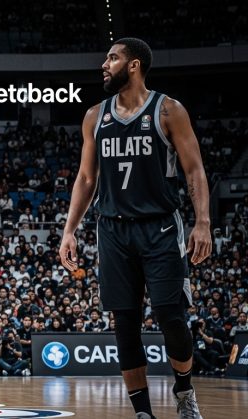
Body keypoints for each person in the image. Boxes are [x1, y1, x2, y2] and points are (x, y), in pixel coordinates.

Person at [59, 38, 211, 419]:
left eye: (112, 58)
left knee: (171, 317)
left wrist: (203, 222)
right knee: (124, 324)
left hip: (160, 227)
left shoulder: (168, 110)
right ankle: (143, 412)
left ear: (134, 65)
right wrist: (69, 230)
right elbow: (86, 178)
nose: (104, 64)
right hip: (113, 230)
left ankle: (184, 390)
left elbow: (194, 169)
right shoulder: (95, 116)